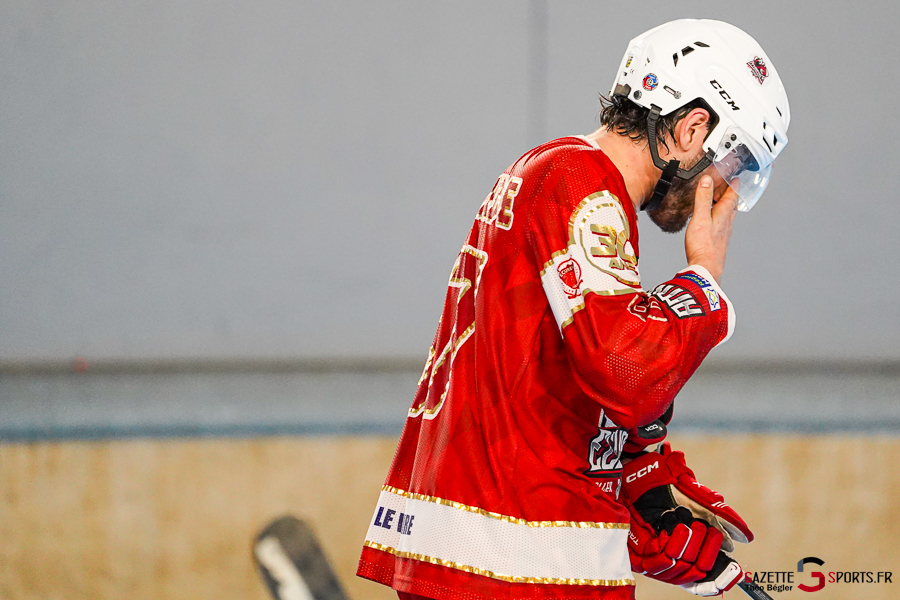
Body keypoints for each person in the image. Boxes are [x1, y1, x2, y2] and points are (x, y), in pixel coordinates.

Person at [357, 18, 790, 600]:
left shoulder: (563, 177)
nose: (727, 190)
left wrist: (641, 501)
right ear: (692, 131)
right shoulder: (581, 184)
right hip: (512, 566)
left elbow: (559, 380)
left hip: (509, 551)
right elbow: (624, 369)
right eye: (735, 166)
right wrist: (703, 280)